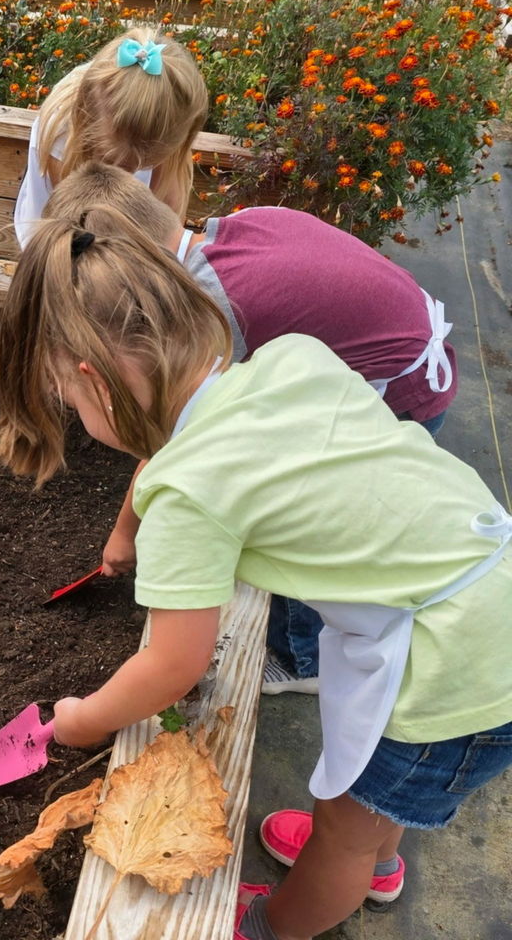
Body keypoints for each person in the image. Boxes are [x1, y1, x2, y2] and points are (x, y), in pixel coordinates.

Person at [0, 211, 512, 940]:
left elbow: (174, 664)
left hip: (458, 659)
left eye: (70, 404)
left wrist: (82, 720)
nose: (77, 417)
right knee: (382, 803)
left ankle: (276, 923)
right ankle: (380, 851)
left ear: (93, 383)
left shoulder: (192, 494)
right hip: (487, 575)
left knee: (342, 837)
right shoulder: (293, 357)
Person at [43, 163, 459, 698]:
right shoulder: (235, 228)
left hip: (401, 394)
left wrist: (126, 535)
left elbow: (188, 439)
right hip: (399, 362)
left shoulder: (211, 307)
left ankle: (298, 658)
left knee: (294, 523)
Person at [13, 31, 207, 248]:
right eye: (113, 161)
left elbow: (171, 217)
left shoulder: (168, 112)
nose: (131, 172)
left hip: (129, 230)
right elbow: (70, 230)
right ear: (86, 121)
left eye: (145, 163)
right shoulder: (62, 128)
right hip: (60, 236)